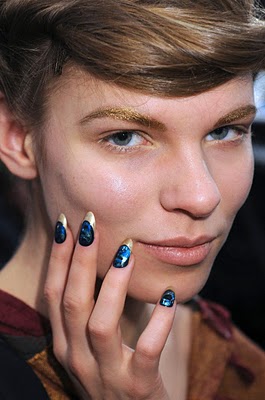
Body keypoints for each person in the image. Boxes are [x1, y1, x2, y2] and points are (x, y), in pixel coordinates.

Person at [0, 0, 264, 399]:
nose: (201, 196)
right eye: (124, 137)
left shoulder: (237, 360)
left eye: (225, 131)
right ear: (18, 139)